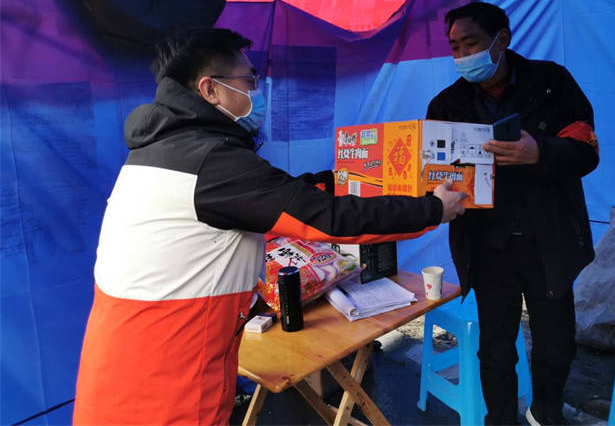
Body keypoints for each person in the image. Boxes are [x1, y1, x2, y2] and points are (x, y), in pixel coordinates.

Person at [73, 28, 467, 425]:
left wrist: (333, 181)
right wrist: (433, 209)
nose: (257, 91)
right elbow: (330, 219)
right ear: (210, 90)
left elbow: (270, 196)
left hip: (118, 374)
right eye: (250, 81)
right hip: (170, 389)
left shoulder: (160, 151)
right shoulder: (214, 163)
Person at [426, 2, 599, 425]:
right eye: (454, 47)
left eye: (471, 44)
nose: (462, 55)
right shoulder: (446, 104)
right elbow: (432, 170)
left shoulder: (552, 83)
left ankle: (545, 412)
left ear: (501, 39)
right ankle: (499, 419)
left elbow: (586, 150)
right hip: (487, 246)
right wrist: (433, 192)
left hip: (549, 240)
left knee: (556, 343)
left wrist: (540, 152)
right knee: (496, 348)